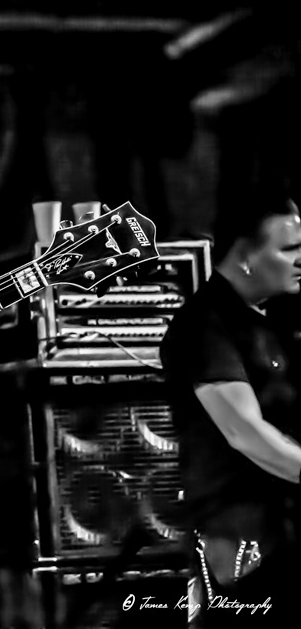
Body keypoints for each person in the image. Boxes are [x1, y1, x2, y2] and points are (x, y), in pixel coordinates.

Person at [161, 190, 301, 627]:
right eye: (289, 249)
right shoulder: (204, 324)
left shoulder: (271, 319)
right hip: (243, 539)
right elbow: (244, 432)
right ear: (244, 255)